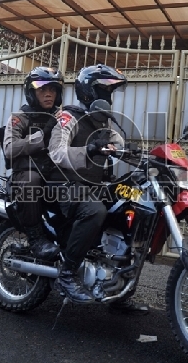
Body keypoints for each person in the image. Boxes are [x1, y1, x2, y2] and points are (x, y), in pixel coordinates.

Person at [48, 63, 147, 313]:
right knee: (95, 212)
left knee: (133, 206)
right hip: (64, 184)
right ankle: (67, 274)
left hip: (92, 184)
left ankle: (117, 287)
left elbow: (119, 147)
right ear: (89, 92)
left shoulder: (103, 123)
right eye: (104, 91)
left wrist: (142, 157)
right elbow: (56, 152)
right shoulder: (68, 116)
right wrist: (88, 150)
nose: (108, 97)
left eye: (110, 93)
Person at [2, 67, 63, 259]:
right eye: (42, 90)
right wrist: (42, 136)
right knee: (31, 180)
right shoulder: (20, 117)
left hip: (52, 171)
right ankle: (36, 239)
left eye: (52, 90)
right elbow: (9, 148)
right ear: (32, 92)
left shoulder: (61, 116)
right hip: (26, 173)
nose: (48, 94)